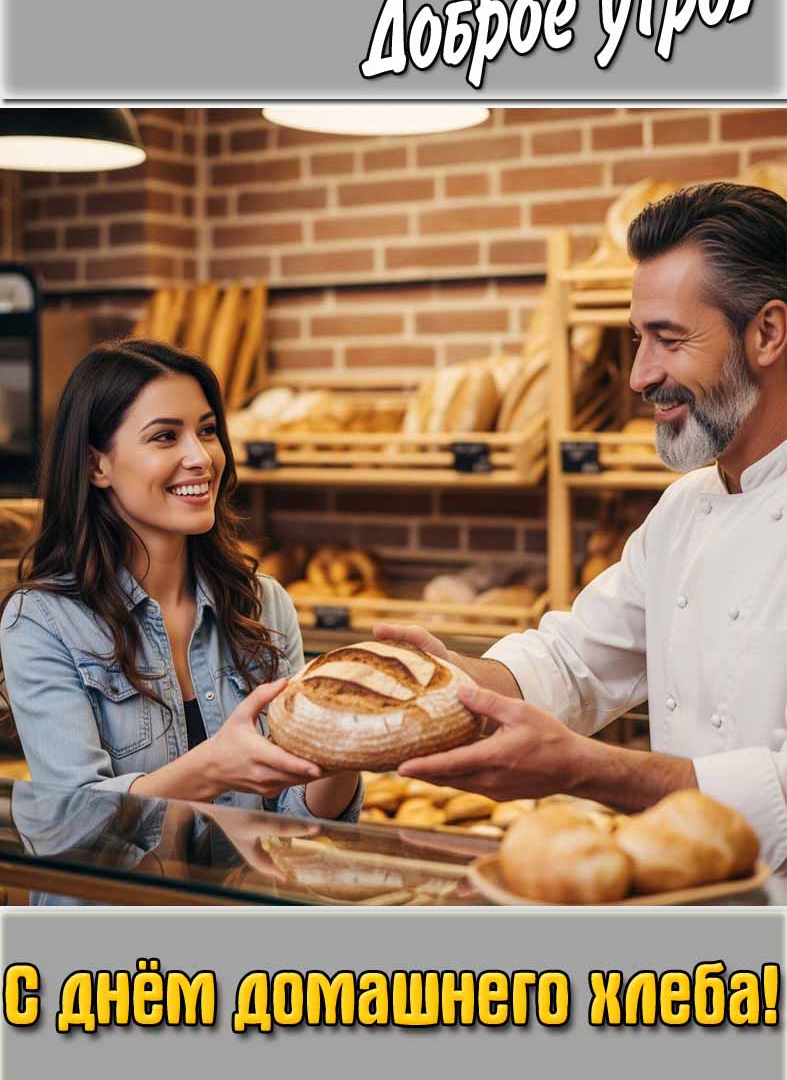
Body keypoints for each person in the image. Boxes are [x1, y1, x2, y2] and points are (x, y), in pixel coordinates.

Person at [375, 181, 787, 869]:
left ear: (767, 332)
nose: (636, 375)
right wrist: (455, 685)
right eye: (636, 338)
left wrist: (588, 768)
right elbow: (573, 659)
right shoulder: (684, 509)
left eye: (668, 339)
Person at [0, 339, 362, 829]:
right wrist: (211, 768)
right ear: (95, 465)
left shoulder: (262, 604)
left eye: (207, 430)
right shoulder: (42, 621)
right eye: (165, 437)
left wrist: (343, 750)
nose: (201, 457)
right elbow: (71, 824)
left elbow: (294, 820)